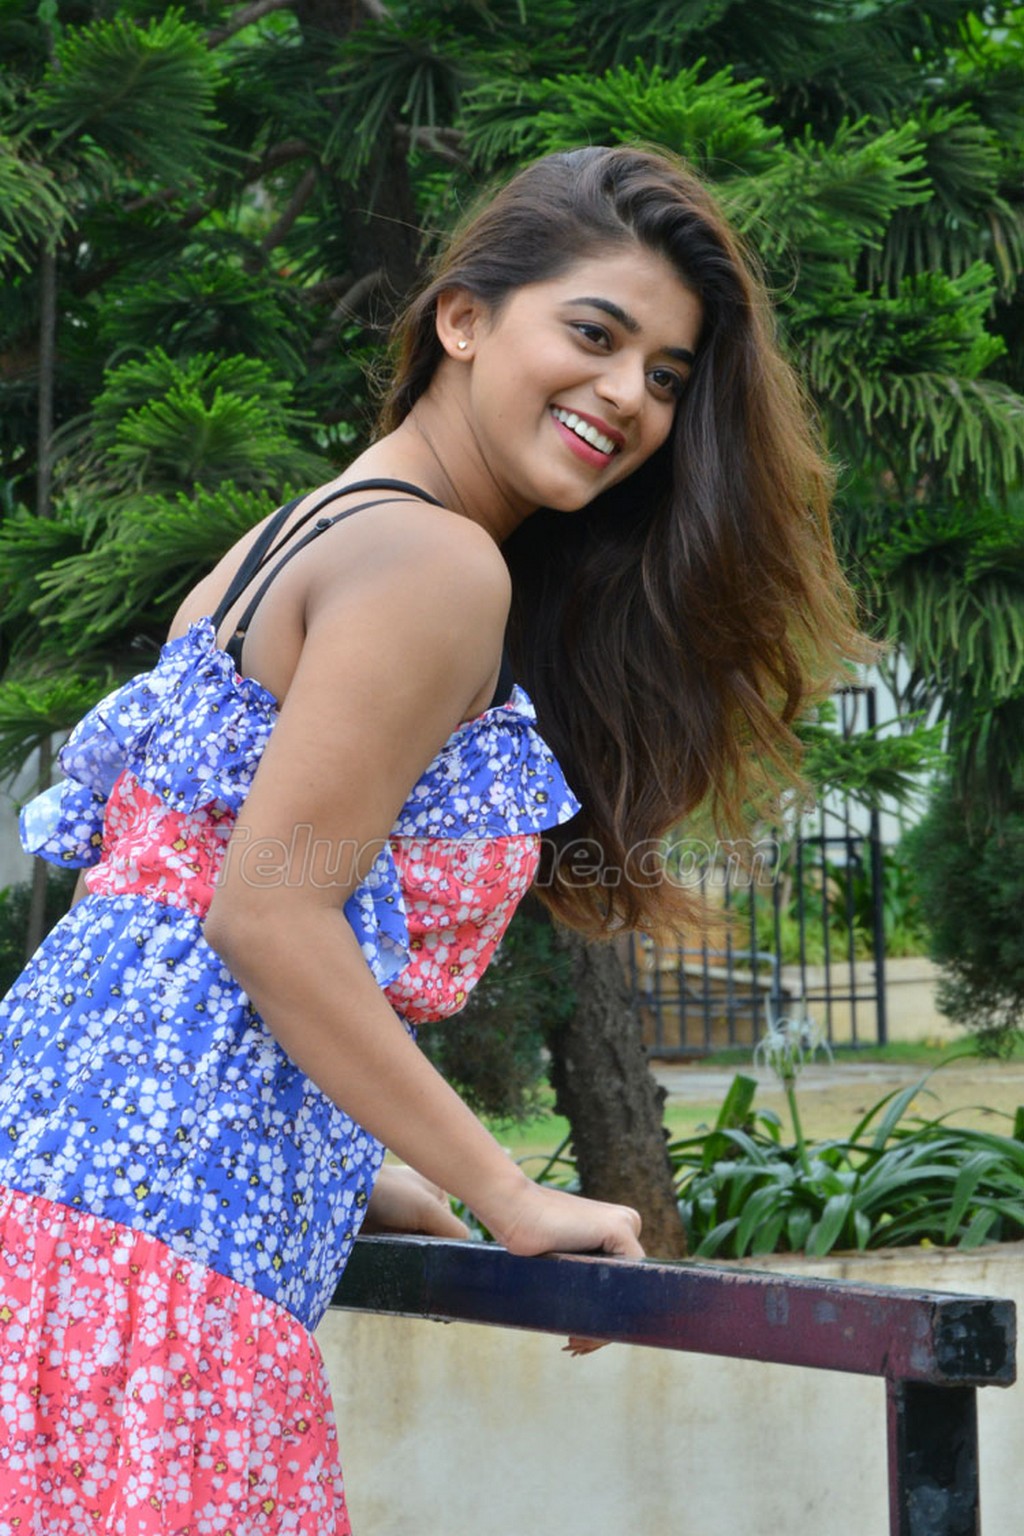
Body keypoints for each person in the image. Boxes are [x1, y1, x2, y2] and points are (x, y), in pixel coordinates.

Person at [0, 144, 862, 1532]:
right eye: (595, 335)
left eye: (666, 376)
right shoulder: (435, 563)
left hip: (69, 1198)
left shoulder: (284, 539)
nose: (627, 395)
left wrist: (341, 1164)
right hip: (150, 1260)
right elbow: (266, 914)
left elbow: (161, 929)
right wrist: (506, 1191)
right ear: (463, 319)